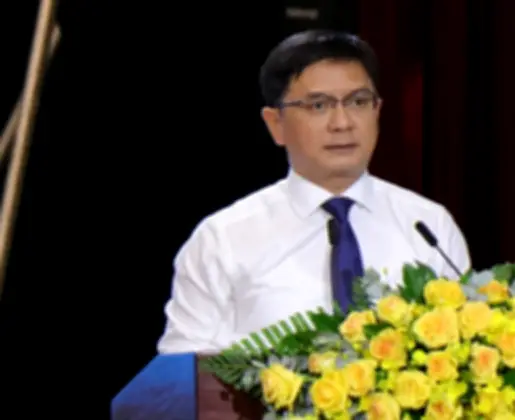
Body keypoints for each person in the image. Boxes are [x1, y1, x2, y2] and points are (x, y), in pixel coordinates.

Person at [156, 30, 471, 354]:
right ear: (276, 124)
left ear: (377, 111)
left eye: (358, 102)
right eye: (319, 105)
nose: (342, 123)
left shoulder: (428, 226)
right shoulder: (224, 239)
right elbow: (182, 370)